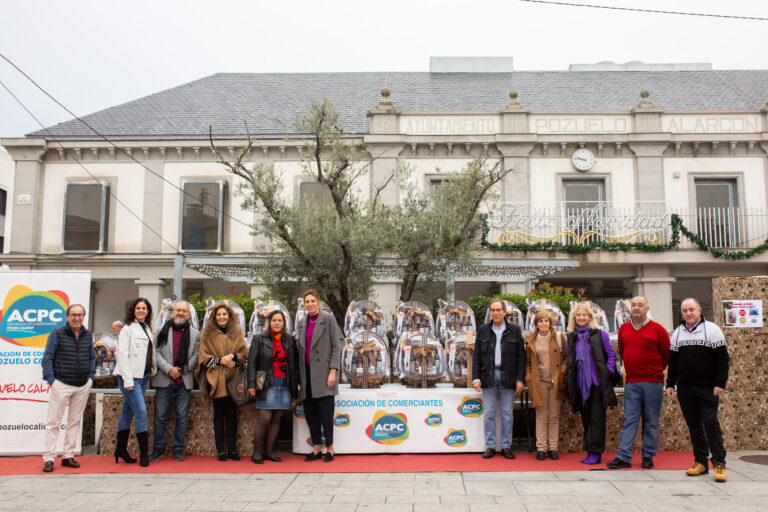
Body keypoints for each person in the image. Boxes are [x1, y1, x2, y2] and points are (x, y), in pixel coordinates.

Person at [666, 298, 729, 482]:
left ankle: (719, 463)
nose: (688, 313)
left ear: (699, 310)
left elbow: (722, 359)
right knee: (693, 425)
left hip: (708, 387)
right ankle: (700, 461)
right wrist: (670, 384)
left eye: (691, 309)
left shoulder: (712, 330)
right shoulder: (678, 333)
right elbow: (673, 362)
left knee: (710, 423)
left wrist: (720, 383)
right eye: (685, 310)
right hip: (685, 388)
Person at [607, 296, 670, 470]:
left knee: (651, 420)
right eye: (633, 305)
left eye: (640, 305)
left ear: (647, 308)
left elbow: (666, 354)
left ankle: (648, 455)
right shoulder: (624, 329)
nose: (636, 308)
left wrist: (656, 371)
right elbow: (622, 350)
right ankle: (623, 456)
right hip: (632, 382)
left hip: (653, 382)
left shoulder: (658, 329)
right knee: (629, 419)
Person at [40, 304, 95, 473]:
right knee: (53, 422)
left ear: (83, 316)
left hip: (82, 384)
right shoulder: (57, 333)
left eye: (80, 315)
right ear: (67, 316)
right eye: (73, 315)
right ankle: (49, 457)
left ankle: (68, 456)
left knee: (74, 421)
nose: (77, 318)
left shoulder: (87, 335)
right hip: (61, 384)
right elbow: (47, 358)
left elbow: (92, 357)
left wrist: (90, 378)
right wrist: (52, 381)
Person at [472, 298, 525, 460]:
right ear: (490, 313)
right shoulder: (483, 330)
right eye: (492, 310)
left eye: (498, 310)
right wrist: (476, 378)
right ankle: (490, 446)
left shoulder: (515, 330)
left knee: (508, 413)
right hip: (488, 375)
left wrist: (520, 379)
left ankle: (506, 447)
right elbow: (476, 357)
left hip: (508, 376)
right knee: (489, 413)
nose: (495, 313)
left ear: (505, 312)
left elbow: (521, 357)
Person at [566, 302, 618, 465]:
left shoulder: (599, 334)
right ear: (574, 318)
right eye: (578, 315)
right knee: (586, 418)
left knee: (597, 419)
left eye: (585, 315)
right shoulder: (571, 337)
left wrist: (608, 371)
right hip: (580, 384)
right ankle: (590, 450)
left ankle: (595, 453)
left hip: (596, 383)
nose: (581, 318)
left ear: (590, 317)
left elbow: (611, 356)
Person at [149, 301, 200, 462]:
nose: (180, 313)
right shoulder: (160, 331)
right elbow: (155, 353)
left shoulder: (195, 334)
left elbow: (196, 356)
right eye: (178, 310)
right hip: (164, 379)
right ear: (172, 312)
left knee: (182, 417)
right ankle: (158, 449)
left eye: (184, 311)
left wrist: (182, 370)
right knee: (160, 417)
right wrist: (169, 369)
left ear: (188, 315)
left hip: (183, 381)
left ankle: (178, 449)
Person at [198, 301, 248, 461]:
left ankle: (232, 449)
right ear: (214, 317)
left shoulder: (237, 332)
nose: (221, 317)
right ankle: (221, 449)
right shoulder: (207, 334)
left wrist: (233, 357)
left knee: (232, 416)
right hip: (217, 379)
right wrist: (220, 361)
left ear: (229, 316)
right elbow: (203, 358)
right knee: (219, 415)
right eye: (218, 314)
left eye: (224, 314)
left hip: (233, 379)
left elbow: (244, 354)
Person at [247, 309, 300, 464]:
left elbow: (294, 364)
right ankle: (257, 452)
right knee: (265, 417)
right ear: (269, 321)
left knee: (277, 417)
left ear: (284, 323)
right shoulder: (259, 339)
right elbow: (252, 363)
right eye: (274, 320)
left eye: (280, 320)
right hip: (264, 381)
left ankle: (269, 451)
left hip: (284, 382)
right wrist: (251, 384)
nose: (277, 323)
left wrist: (296, 384)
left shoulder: (289, 340)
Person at [296, 290, 340, 462]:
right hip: (306, 374)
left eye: (313, 300)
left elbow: (336, 347)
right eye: (307, 301)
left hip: (324, 374)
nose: (310, 304)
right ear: (304, 305)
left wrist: (333, 371)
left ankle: (330, 448)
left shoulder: (328, 319)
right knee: (311, 414)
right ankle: (316, 448)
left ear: (319, 302)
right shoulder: (301, 323)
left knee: (325, 414)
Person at [113, 297, 156, 467]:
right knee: (141, 412)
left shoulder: (146, 327)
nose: (141, 311)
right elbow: (122, 354)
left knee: (127, 413)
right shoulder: (127, 329)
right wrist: (128, 380)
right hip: (130, 378)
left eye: (144, 308)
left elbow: (149, 352)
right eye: (138, 308)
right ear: (133, 310)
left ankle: (121, 449)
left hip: (143, 376)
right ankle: (144, 454)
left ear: (148, 311)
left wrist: (152, 369)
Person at [525, 309, 567, 461]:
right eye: (541, 321)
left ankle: (553, 448)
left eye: (546, 321)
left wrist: (562, 372)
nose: (544, 324)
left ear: (550, 323)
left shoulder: (559, 337)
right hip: (539, 382)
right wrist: (529, 378)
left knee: (554, 417)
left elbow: (567, 359)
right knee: (541, 417)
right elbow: (528, 362)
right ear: (536, 324)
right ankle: (541, 448)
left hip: (556, 382)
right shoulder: (531, 340)